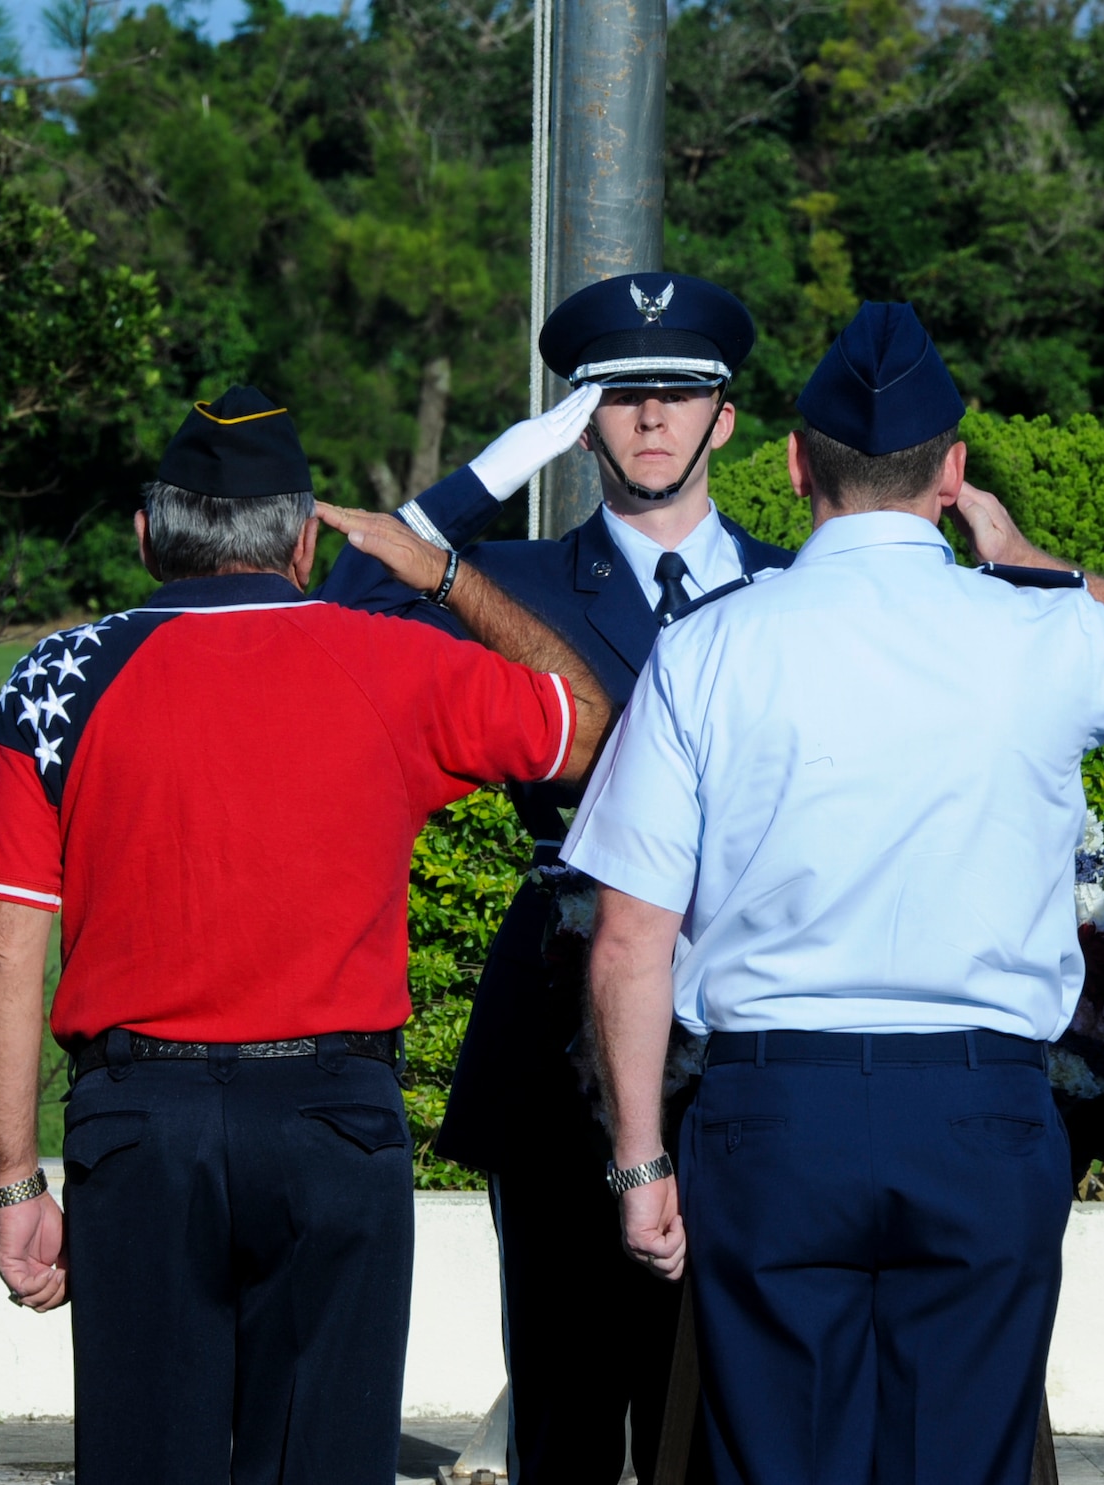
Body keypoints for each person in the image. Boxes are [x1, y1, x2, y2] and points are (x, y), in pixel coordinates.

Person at [564, 300, 1104, 1485]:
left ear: (794, 466)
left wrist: (640, 1164)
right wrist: (1050, 575)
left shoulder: (710, 648)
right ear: (951, 472)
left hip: (774, 1112)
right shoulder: (1043, 632)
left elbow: (630, 942)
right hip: (977, 1111)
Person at [0, 386, 616, 1485]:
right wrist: (441, 571)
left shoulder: (53, 684)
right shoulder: (394, 664)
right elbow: (585, 726)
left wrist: (17, 1184)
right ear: (307, 540)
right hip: (331, 1129)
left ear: (147, 534)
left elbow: (2, 950)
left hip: (140, 1129)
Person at [315, 271, 791, 1484]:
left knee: (725, 1413)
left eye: (676, 396)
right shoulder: (515, 581)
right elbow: (344, 606)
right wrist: (489, 475)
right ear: (582, 423)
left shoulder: (800, 586)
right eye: (616, 397)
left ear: (722, 420)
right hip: (562, 1007)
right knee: (569, 1407)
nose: (647, 420)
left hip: (749, 1009)